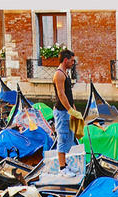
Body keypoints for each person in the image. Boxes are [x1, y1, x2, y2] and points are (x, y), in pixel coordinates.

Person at [52, 49, 82, 177]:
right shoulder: (59, 74)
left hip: (67, 111)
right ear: (66, 60)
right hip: (61, 112)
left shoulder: (65, 73)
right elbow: (61, 95)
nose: (73, 63)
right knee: (62, 139)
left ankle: (66, 165)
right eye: (72, 60)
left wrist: (74, 111)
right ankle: (62, 168)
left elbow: (69, 95)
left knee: (69, 138)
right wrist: (69, 110)